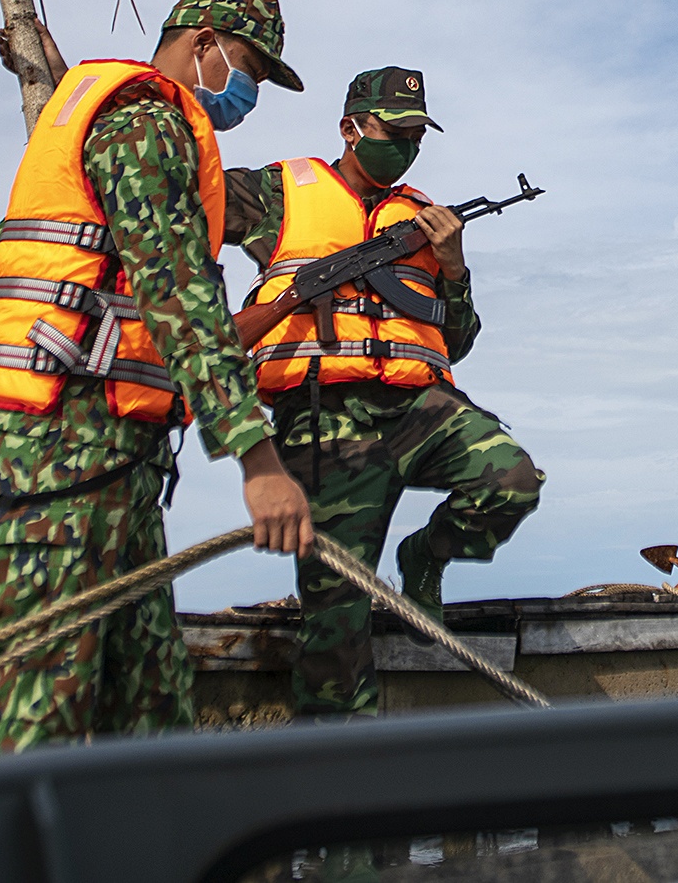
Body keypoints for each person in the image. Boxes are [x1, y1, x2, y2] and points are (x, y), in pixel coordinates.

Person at [0, 0, 315, 755]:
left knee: (150, 703)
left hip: (117, 456)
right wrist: (257, 458)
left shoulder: (115, 110)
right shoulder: (144, 119)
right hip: (57, 446)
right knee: (38, 707)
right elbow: (176, 286)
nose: (249, 90)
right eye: (248, 66)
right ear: (203, 42)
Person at [227, 67, 544, 719]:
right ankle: (340, 760)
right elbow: (179, 200)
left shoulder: (425, 220)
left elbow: (456, 340)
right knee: (336, 619)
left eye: (416, 137)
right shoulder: (279, 191)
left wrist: (454, 267)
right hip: (324, 420)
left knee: (511, 480)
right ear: (351, 128)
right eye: (394, 132)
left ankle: (424, 554)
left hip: (418, 410)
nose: (406, 147)